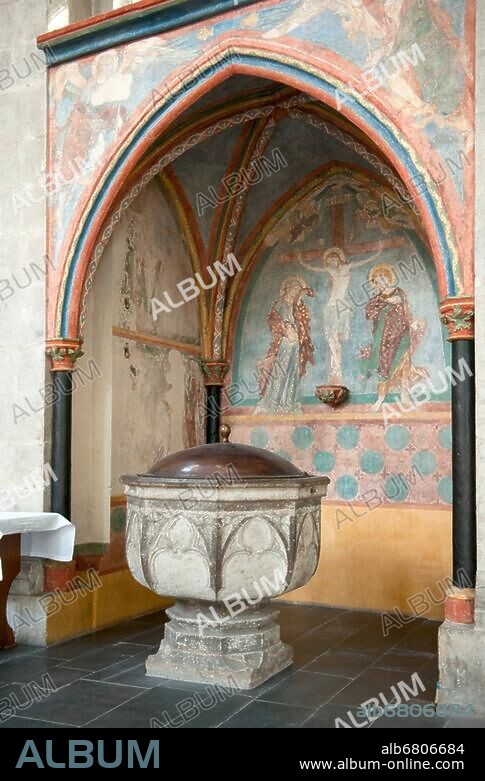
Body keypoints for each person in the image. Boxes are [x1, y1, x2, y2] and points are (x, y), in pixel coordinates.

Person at [255, 276, 314, 414]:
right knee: (280, 372)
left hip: (295, 344)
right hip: (284, 343)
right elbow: (273, 321)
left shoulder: (297, 306)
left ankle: (287, 402)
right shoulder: (280, 304)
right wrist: (286, 329)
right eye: (294, 289)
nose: (295, 292)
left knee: (292, 372)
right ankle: (274, 403)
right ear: (287, 289)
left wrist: (299, 305)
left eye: (298, 290)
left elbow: (303, 323)